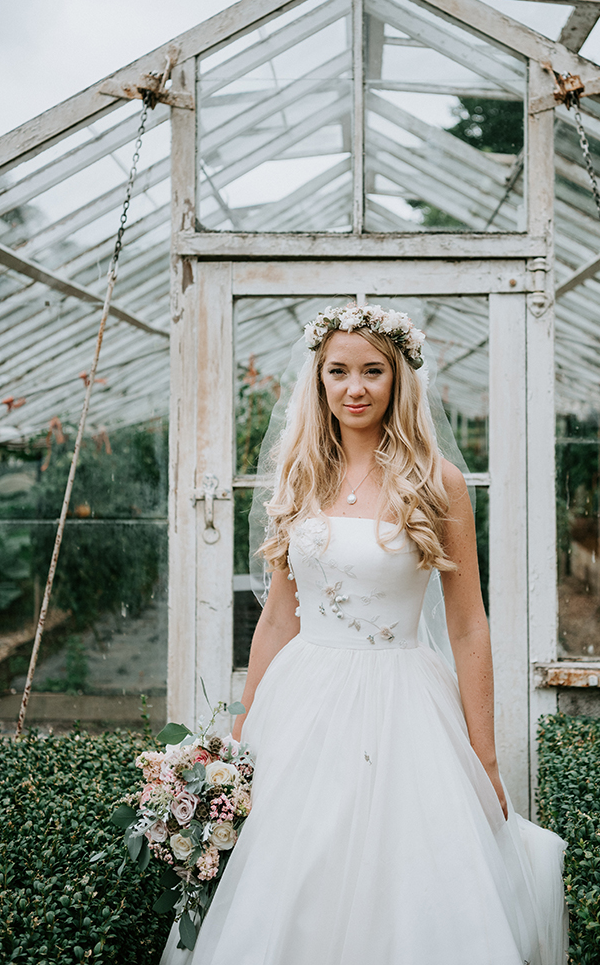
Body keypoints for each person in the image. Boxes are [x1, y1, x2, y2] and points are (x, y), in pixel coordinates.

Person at [160, 304, 567, 965]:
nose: (356, 387)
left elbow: (467, 625)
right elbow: (278, 616)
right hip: (304, 699)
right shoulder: (302, 474)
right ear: (319, 380)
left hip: (404, 702)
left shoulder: (439, 483)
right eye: (339, 371)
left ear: (398, 378)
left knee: (405, 874)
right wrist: (239, 733)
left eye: (373, 371)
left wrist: (485, 758)